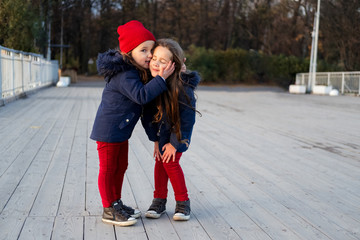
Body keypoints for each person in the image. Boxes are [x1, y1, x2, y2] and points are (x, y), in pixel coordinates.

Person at [90, 21, 175, 227]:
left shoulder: (134, 71)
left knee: (121, 166)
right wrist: (161, 79)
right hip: (109, 130)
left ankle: (116, 202)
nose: (148, 55)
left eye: (151, 50)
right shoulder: (124, 74)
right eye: (143, 50)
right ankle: (108, 208)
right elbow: (141, 95)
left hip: (120, 131)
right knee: (109, 168)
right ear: (128, 52)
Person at [141, 39, 200, 221]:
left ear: (174, 65)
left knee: (170, 162)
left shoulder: (182, 88)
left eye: (163, 61)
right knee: (160, 161)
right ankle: (159, 201)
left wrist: (175, 144)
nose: (157, 63)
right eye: (155, 58)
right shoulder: (150, 84)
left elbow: (186, 120)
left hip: (177, 134)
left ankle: (183, 202)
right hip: (162, 133)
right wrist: (157, 140)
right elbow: (148, 117)